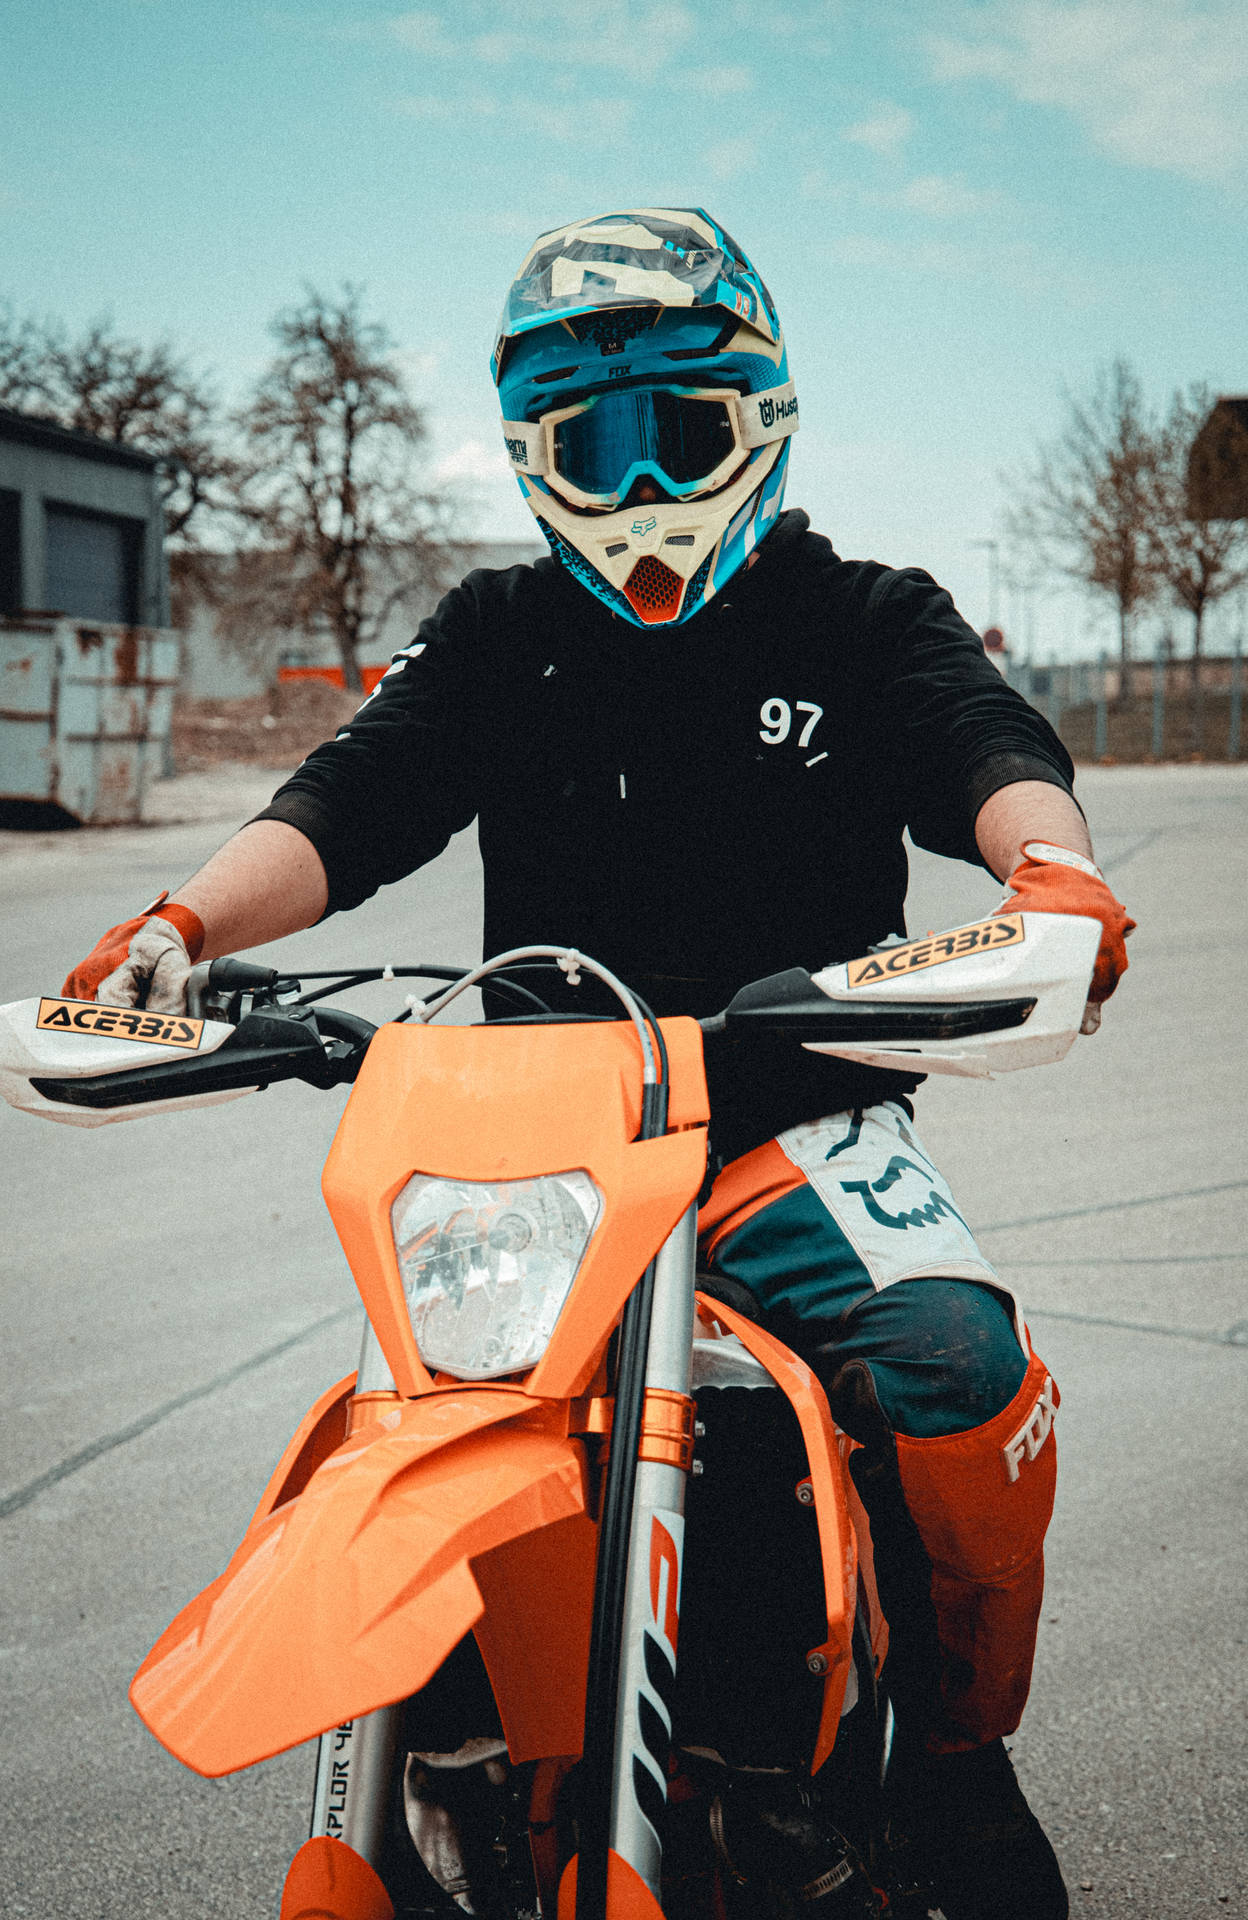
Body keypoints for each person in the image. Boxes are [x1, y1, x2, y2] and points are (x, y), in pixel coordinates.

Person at [63, 209, 1132, 1919]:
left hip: (797, 1116)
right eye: (593, 445)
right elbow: (352, 799)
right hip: (538, 1150)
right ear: (533, 456)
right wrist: (182, 925)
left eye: (678, 434)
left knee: (949, 1358)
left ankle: (950, 1758)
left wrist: (1051, 871)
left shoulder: (863, 616)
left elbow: (991, 748)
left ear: (758, 423)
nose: (638, 484)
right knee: (401, 1415)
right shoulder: (497, 633)